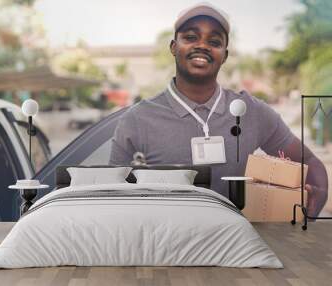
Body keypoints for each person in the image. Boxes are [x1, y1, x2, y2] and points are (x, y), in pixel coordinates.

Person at [109, 3, 328, 217]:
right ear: (174, 47)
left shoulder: (252, 112)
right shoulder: (137, 120)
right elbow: (113, 197)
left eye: (214, 41)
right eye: (191, 37)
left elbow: (308, 161)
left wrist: (317, 197)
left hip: (238, 247)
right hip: (167, 249)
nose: (202, 45)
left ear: (224, 55)